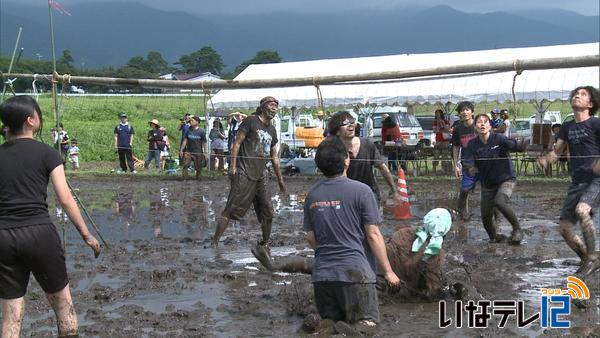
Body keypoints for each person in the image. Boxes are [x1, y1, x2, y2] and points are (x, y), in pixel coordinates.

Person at [0, 95, 101, 337]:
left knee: (11, 313)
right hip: (39, 234)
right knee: (63, 305)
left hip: (4, 236)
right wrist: (86, 235)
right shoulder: (47, 153)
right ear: (31, 120)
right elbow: (65, 200)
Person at [253, 207, 454, 302]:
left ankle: (274, 265)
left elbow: (383, 245)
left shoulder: (405, 232)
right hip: (376, 279)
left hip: (361, 258)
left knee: (313, 265)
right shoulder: (435, 254)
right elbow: (432, 290)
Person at [302, 136, 400, 329]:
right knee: (367, 325)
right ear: (347, 161)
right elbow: (373, 235)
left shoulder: (312, 195)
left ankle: (318, 328)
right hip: (356, 274)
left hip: (323, 275)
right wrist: (388, 272)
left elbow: (311, 237)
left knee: (331, 324)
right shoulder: (362, 191)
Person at [213, 96, 287, 255]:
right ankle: (215, 242)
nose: (274, 107)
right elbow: (237, 143)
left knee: (268, 210)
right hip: (244, 171)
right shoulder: (251, 122)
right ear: (263, 107)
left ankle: (265, 242)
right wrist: (232, 166)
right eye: (271, 104)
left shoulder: (272, 130)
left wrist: (280, 180)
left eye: (276, 105)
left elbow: (274, 156)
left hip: (262, 174)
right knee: (231, 208)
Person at [538, 86, 600, 277]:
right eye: (575, 93)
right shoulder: (567, 127)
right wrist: (547, 159)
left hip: (596, 180)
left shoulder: (596, 124)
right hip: (577, 181)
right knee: (565, 229)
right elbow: (557, 151)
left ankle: (592, 258)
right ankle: (587, 259)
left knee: (582, 210)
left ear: (590, 104)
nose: (577, 96)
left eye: (582, 94)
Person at [462, 114, 526, 244]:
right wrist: (470, 168)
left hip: (506, 179)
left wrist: (520, 146)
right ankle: (494, 237)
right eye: (479, 122)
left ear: (490, 126)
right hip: (488, 183)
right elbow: (466, 160)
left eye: (485, 122)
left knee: (500, 202)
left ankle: (517, 230)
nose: (482, 124)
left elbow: (514, 145)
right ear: (475, 127)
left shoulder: (499, 138)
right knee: (485, 217)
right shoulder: (472, 144)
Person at [327, 111, 398, 204]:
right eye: (345, 123)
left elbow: (383, 168)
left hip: (370, 194)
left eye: (352, 122)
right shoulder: (334, 150)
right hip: (347, 197)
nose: (350, 125)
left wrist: (394, 191)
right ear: (337, 131)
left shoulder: (368, 144)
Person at [452, 101, 479, 221]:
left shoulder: (479, 126)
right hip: (468, 164)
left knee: (490, 190)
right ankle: (462, 214)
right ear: (459, 113)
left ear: (472, 112)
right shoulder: (458, 129)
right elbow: (456, 147)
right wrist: (455, 164)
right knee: (464, 190)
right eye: (462, 110)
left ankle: (495, 216)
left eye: (467, 109)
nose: (465, 112)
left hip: (483, 163)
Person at [180, 116, 207, 180]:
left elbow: (204, 142)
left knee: (198, 167)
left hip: (198, 152)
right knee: (185, 164)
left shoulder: (201, 131)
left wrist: (205, 152)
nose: (190, 122)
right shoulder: (188, 130)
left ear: (197, 122)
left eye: (192, 121)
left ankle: (198, 177)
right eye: (190, 121)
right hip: (188, 151)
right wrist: (181, 150)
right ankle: (185, 178)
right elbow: (185, 141)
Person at [432, 109, 452, 173]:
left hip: (445, 140)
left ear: (441, 114)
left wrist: (443, 123)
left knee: (445, 156)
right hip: (438, 140)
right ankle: (434, 168)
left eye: (439, 114)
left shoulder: (445, 121)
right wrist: (438, 124)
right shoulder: (435, 122)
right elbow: (435, 130)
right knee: (436, 155)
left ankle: (445, 169)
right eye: (436, 114)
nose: (437, 115)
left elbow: (448, 129)